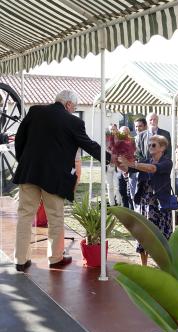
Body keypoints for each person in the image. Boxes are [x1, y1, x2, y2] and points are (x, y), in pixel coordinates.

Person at [13, 90, 110, 271]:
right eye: (74, 108)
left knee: (25, 217)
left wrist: (23, 161)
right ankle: (55, 258)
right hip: (54, 178)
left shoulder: (35, 112)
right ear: (68, 105)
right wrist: (110, 158)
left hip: (29, 173)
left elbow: (20, 138)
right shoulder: (74, 122)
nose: (74, 111)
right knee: (55, 217)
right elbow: (89, 146)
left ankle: (20, 260)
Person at [117, 135, 173, 266]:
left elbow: (152, 169)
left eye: (153, 145)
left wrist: (133, 164)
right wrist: (118, 160)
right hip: (144, 204)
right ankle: (144, 266)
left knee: (161, 236)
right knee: (143, 235)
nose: (150, 147)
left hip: (160, 206)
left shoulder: (167, 162)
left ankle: (164, 266)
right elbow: (127, 169)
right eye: (149, 145)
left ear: (163, 147)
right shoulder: (145, 161)